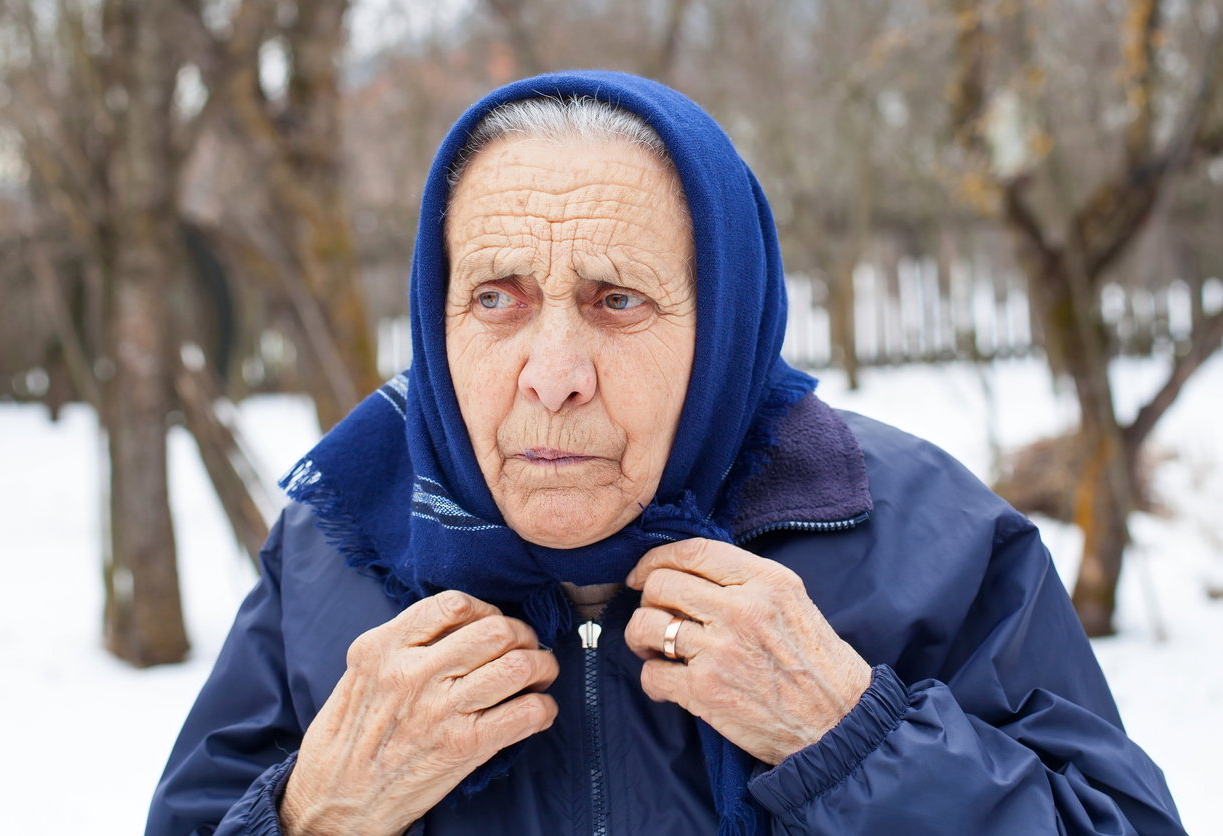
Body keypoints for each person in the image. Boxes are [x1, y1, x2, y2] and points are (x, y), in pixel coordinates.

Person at [146, 71, 1184, 836]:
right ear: (436, 314)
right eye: (496, 298)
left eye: (618, 298)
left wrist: (854, 736)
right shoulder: (337, 552)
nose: (552, 371)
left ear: (725, 324)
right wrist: (310, 812)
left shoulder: (923, 539)